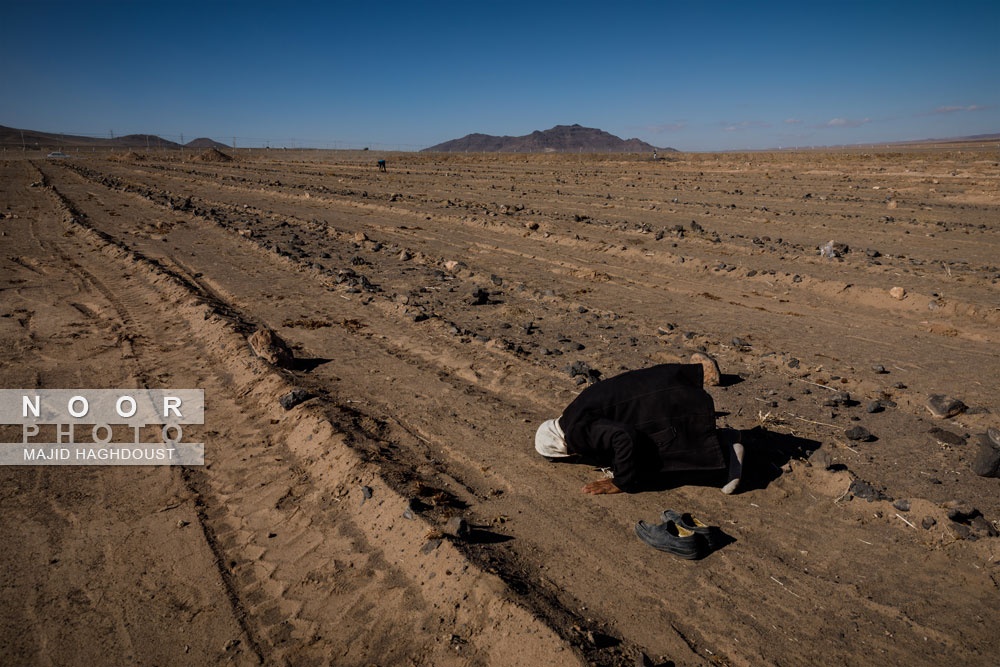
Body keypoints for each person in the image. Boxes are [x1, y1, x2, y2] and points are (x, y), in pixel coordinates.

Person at [535, 353, 745, 495]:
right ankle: (727, 438)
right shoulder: (572, 413)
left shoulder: (576, 434)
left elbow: (623, 437)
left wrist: (620, 481)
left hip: (659, 399)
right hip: (661, 384)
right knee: (679, 428)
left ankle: (728, 458)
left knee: (658, 452)